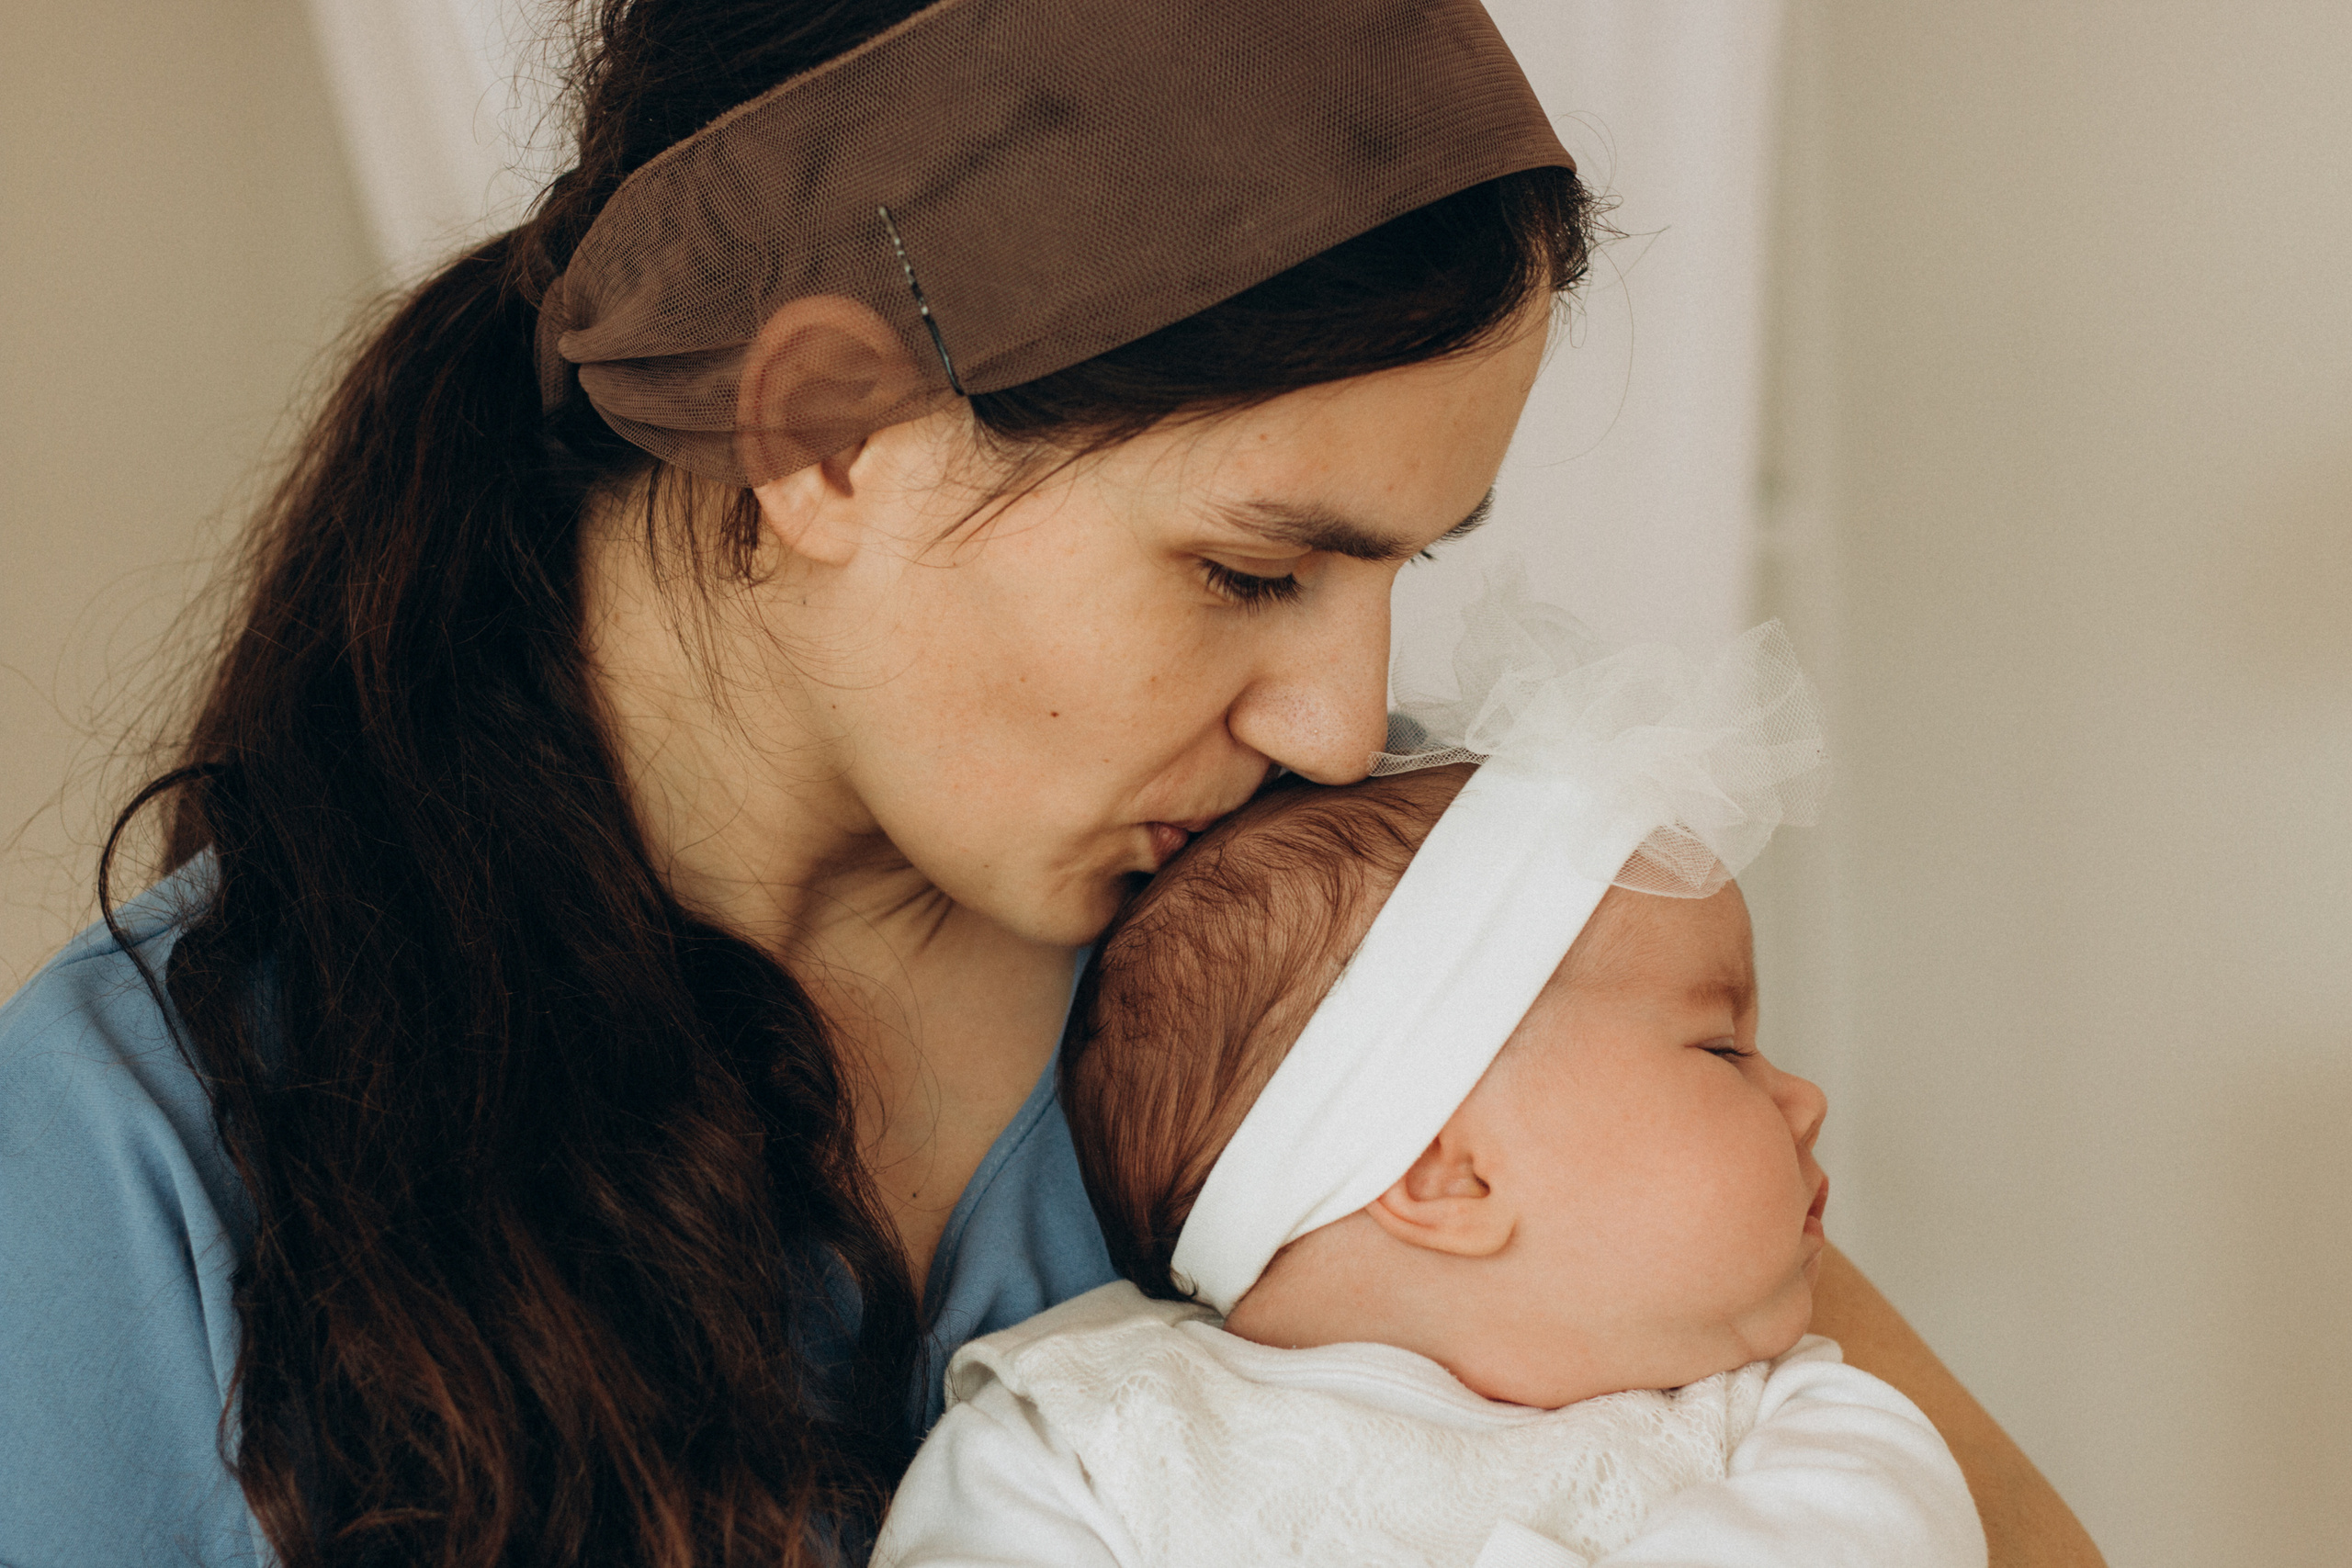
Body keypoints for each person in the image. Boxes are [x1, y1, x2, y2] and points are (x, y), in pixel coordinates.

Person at [0, 3, 2099, 1566]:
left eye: (1393, 568)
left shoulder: (1353, 962)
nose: (1336, 719)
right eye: (1249, 566)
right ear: (825, 428)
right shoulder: (134, 1151)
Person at [874, 621, 1984, 1567]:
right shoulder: (1081, 1434)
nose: (1805, 1100)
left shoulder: (1805, 1431)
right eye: (1720, 1050)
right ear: (1442, 1171)